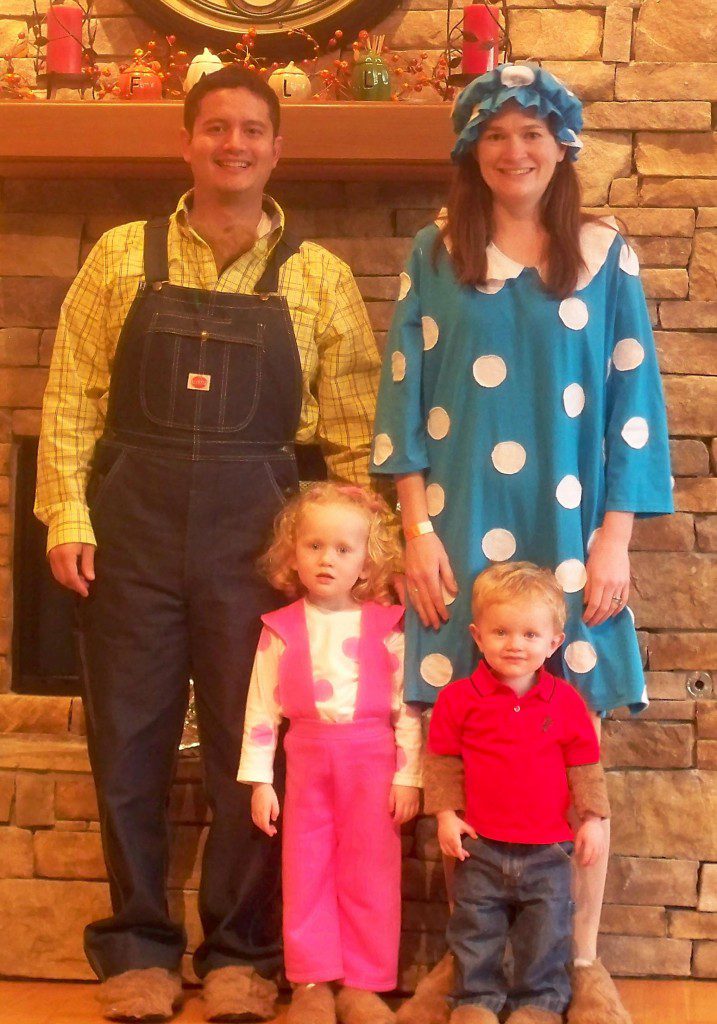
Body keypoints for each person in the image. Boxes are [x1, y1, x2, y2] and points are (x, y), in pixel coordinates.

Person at [34, 65, 382, 1022]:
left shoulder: (319, 278)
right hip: (129, 534)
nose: (235, 144)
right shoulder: (119, 256)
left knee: (253, 745)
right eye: (217, 128)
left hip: (259, 540)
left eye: (253, 131)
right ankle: (139, 947)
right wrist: (68, 514)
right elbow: (70, 398)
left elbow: (353, 431)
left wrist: (359, 553)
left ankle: (240, 951)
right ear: (186, 142)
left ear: (277, 148)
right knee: (131, 742)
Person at [371, 64, 673, 1024]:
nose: (514, 150)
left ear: (560, 147)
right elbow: (400, 402)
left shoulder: (602, 251)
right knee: (459, 738)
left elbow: (634, 407)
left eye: (531, 134)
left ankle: (578, 964)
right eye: (495, 135)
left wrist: (616, 540)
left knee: (571, 739)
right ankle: (470, 967)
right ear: (472, 149)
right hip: (456, 530)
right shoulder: (431, 253)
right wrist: (414, 533)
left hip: (575, 530)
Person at [237, 482, 422, 1024]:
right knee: (305, 868)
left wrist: (409, 777)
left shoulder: (387, 628)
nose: (327, 559)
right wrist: (260, 780)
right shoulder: (281, 629)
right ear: (292, 554)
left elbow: (405, 708)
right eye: (314, 545)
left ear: (366, 563)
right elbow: (261, 709)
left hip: (372, 761)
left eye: (344, 549)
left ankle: (366, 982)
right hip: (308, 762)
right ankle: (312, 981)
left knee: (372, 870)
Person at [426, 562, 610, 1024]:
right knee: (474, 931)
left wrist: (592, 819)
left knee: (546, 934)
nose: (515, 644)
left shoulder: (566, 702)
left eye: (530, 635)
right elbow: (443, 762)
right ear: (477, 634)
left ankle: (539, 1004)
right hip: (480, 847)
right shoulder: (457, 699)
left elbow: (585, 765)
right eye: (502, 632)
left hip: (549, 849)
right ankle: (475, 1001)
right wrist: (446, 815)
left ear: (554, 643)